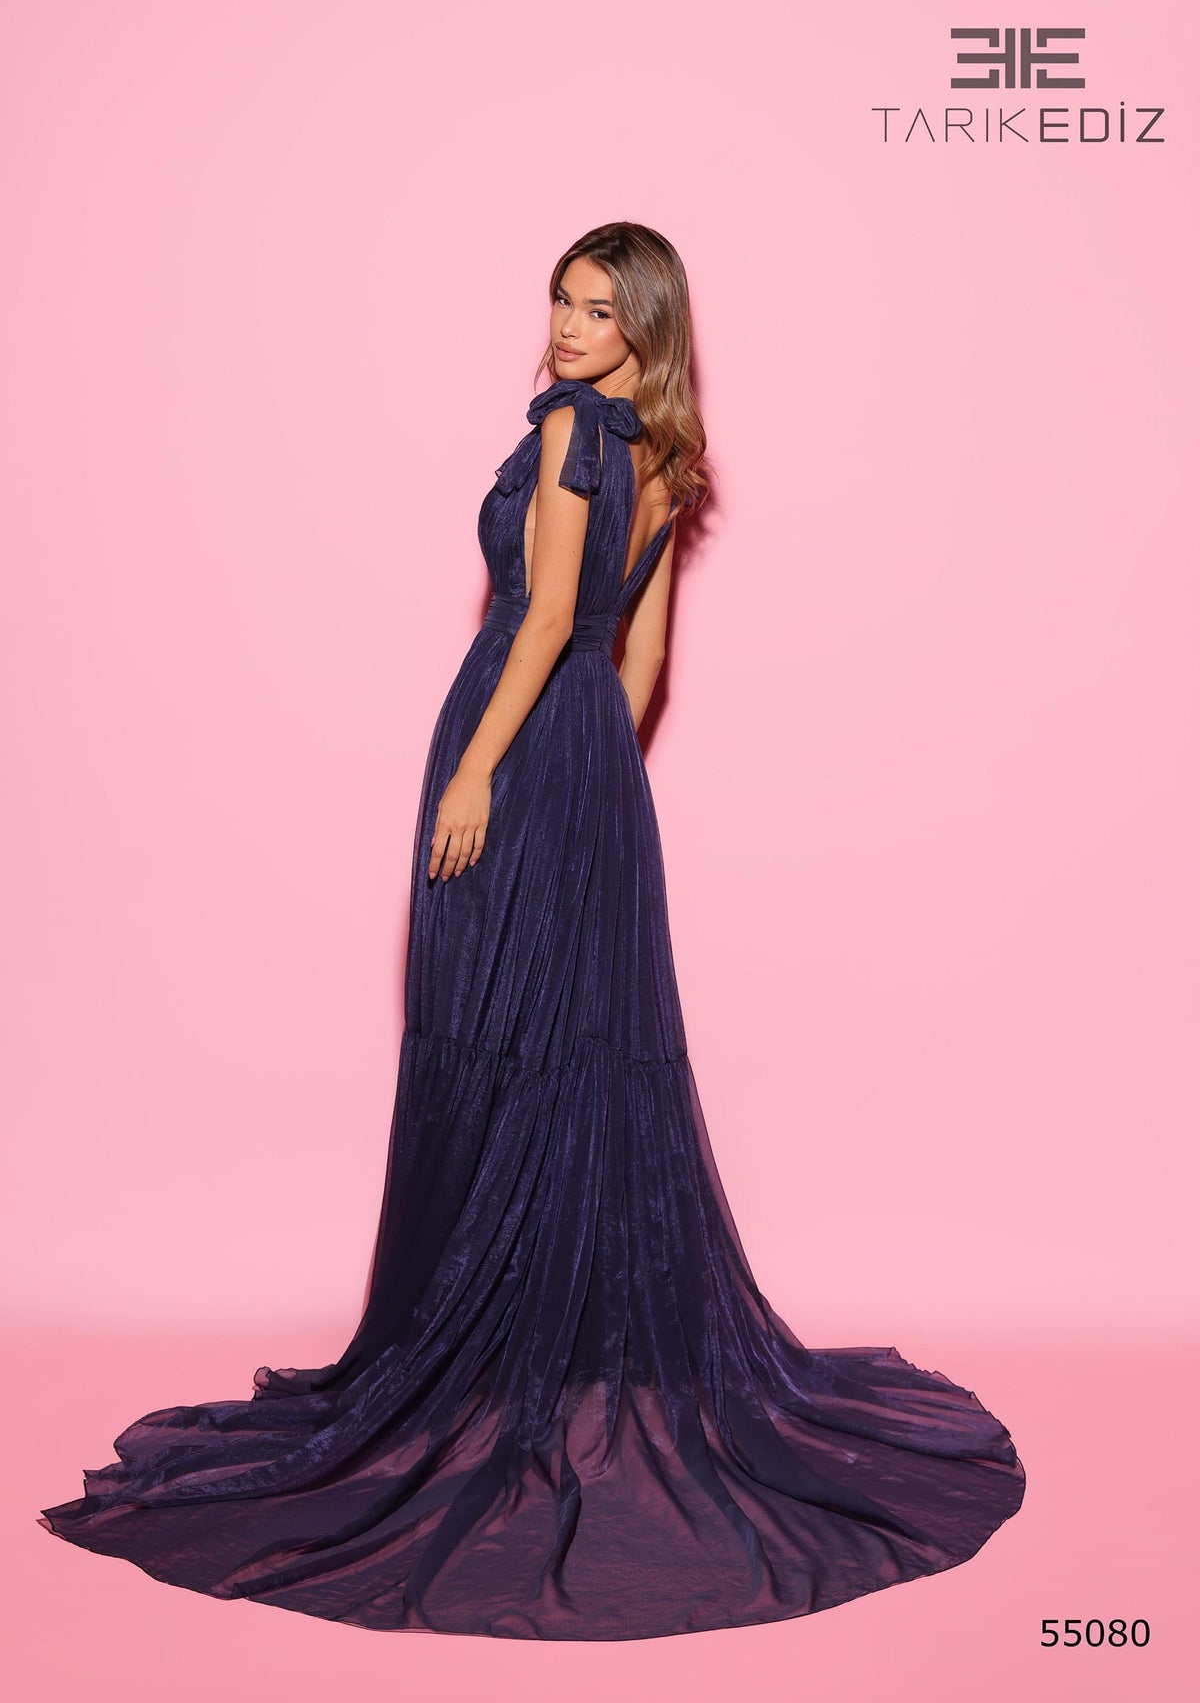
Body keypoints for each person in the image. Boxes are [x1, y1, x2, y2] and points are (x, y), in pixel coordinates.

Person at [38, 221, 1025, 1641]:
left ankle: (480, 1356)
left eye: (600, 308)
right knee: (574, 1051)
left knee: (490, 1035)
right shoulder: (671, 457)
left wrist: (484, 774)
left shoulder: (572, 431)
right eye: (562, 298)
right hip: (597, 771)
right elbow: (644, 655)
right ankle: (546, 1336)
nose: (568, 326)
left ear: (645, 328)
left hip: (514, 749)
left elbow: (550, 615)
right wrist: (596, 779)